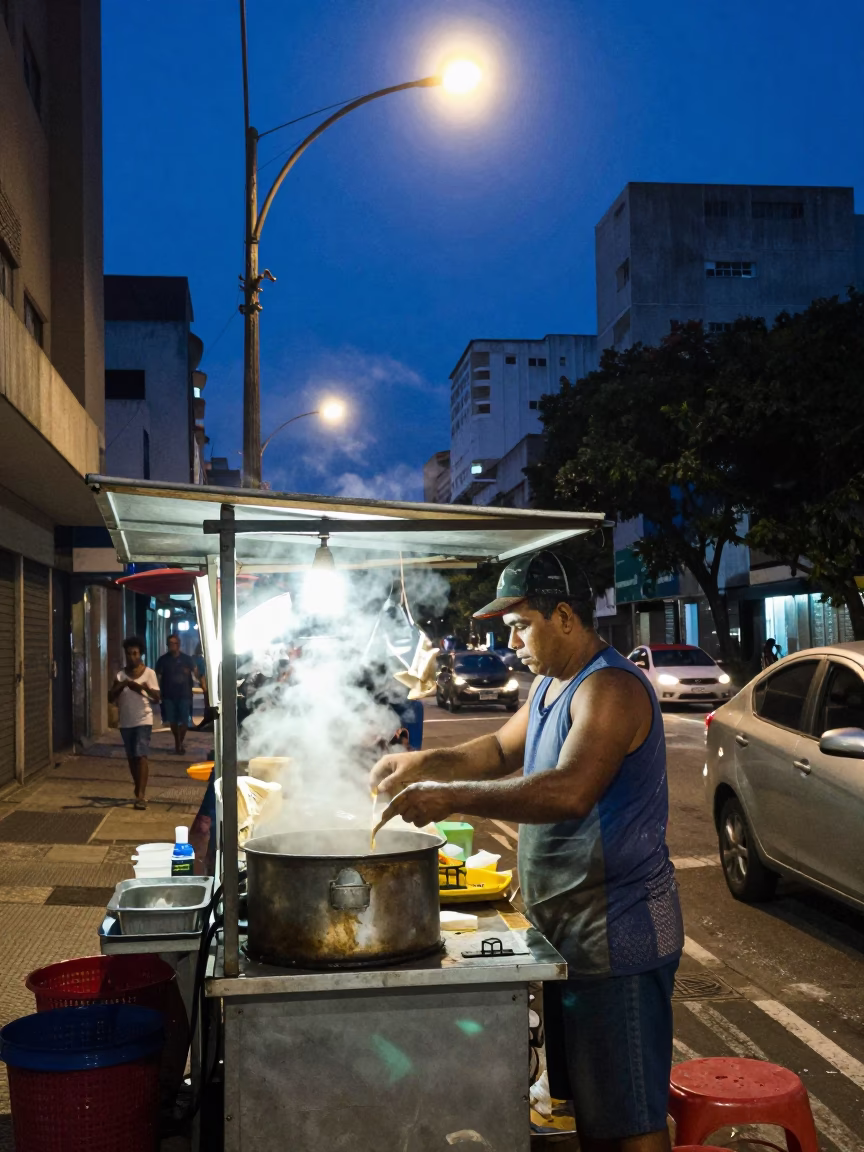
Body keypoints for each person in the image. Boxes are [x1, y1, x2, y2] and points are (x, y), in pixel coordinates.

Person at [371, 549, 683, 1152]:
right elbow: (493, 750)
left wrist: (449, 798)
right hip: (571, 933)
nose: (510, 639)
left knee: (630, 1120)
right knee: (593, 1112)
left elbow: (570, 791)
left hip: (618, 936)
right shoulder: (550, 683)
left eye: (520, 625)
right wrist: (421, 763)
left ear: (563, 616)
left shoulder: (611, 688)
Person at [109, 635, 160, 810]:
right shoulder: (120, 675)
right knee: (131, 758)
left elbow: (157, 698)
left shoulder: (149, 673)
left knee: (141, 755)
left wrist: (142, 687)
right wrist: (121, 685)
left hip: (143, 719)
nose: (132, 657)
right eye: (129, 653)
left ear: (141, 654)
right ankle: (138, 787)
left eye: (135, 653)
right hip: (126, 722)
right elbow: (110, 697)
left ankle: (141, 796)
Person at [155, 634, 197, 754]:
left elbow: (196, 673)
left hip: (185, 694)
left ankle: (179, 742)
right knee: (172, 720)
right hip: (168, 695)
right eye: (170, 644)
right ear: (167, 645)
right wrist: (157, 691)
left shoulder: (187, 659)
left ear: (179, 645)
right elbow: (157, 676)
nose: (172, 646)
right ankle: (178, 742)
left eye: (175, 643)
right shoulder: (163, 660)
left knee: (184, 720)